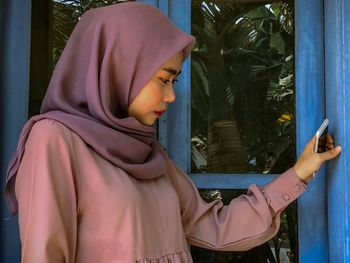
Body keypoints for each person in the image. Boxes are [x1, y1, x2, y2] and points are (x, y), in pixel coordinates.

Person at [4, 2, 341, 263]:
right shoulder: (54, 140)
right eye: (163, 79)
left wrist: (300, 172)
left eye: (173, 81)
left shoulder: (148, 154)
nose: (170, 96)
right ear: (121, 67)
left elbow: (216, 226)